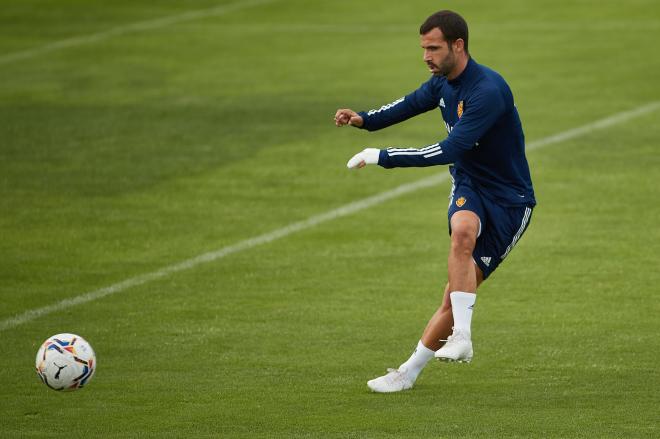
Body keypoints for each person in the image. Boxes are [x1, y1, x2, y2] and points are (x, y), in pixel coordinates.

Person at [334, 10, 536, 393]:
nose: (426, 56)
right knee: (461, 234)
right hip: (471, 184)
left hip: (511, 200)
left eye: (433, 48)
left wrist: (384, 156)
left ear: (457, 46)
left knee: (452, 295)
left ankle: (410, 370)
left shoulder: (487, 91)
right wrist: (362, 119)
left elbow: (451, 148)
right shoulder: (441, 83)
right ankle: (460, 337)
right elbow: (406, 105)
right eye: (423, 48)